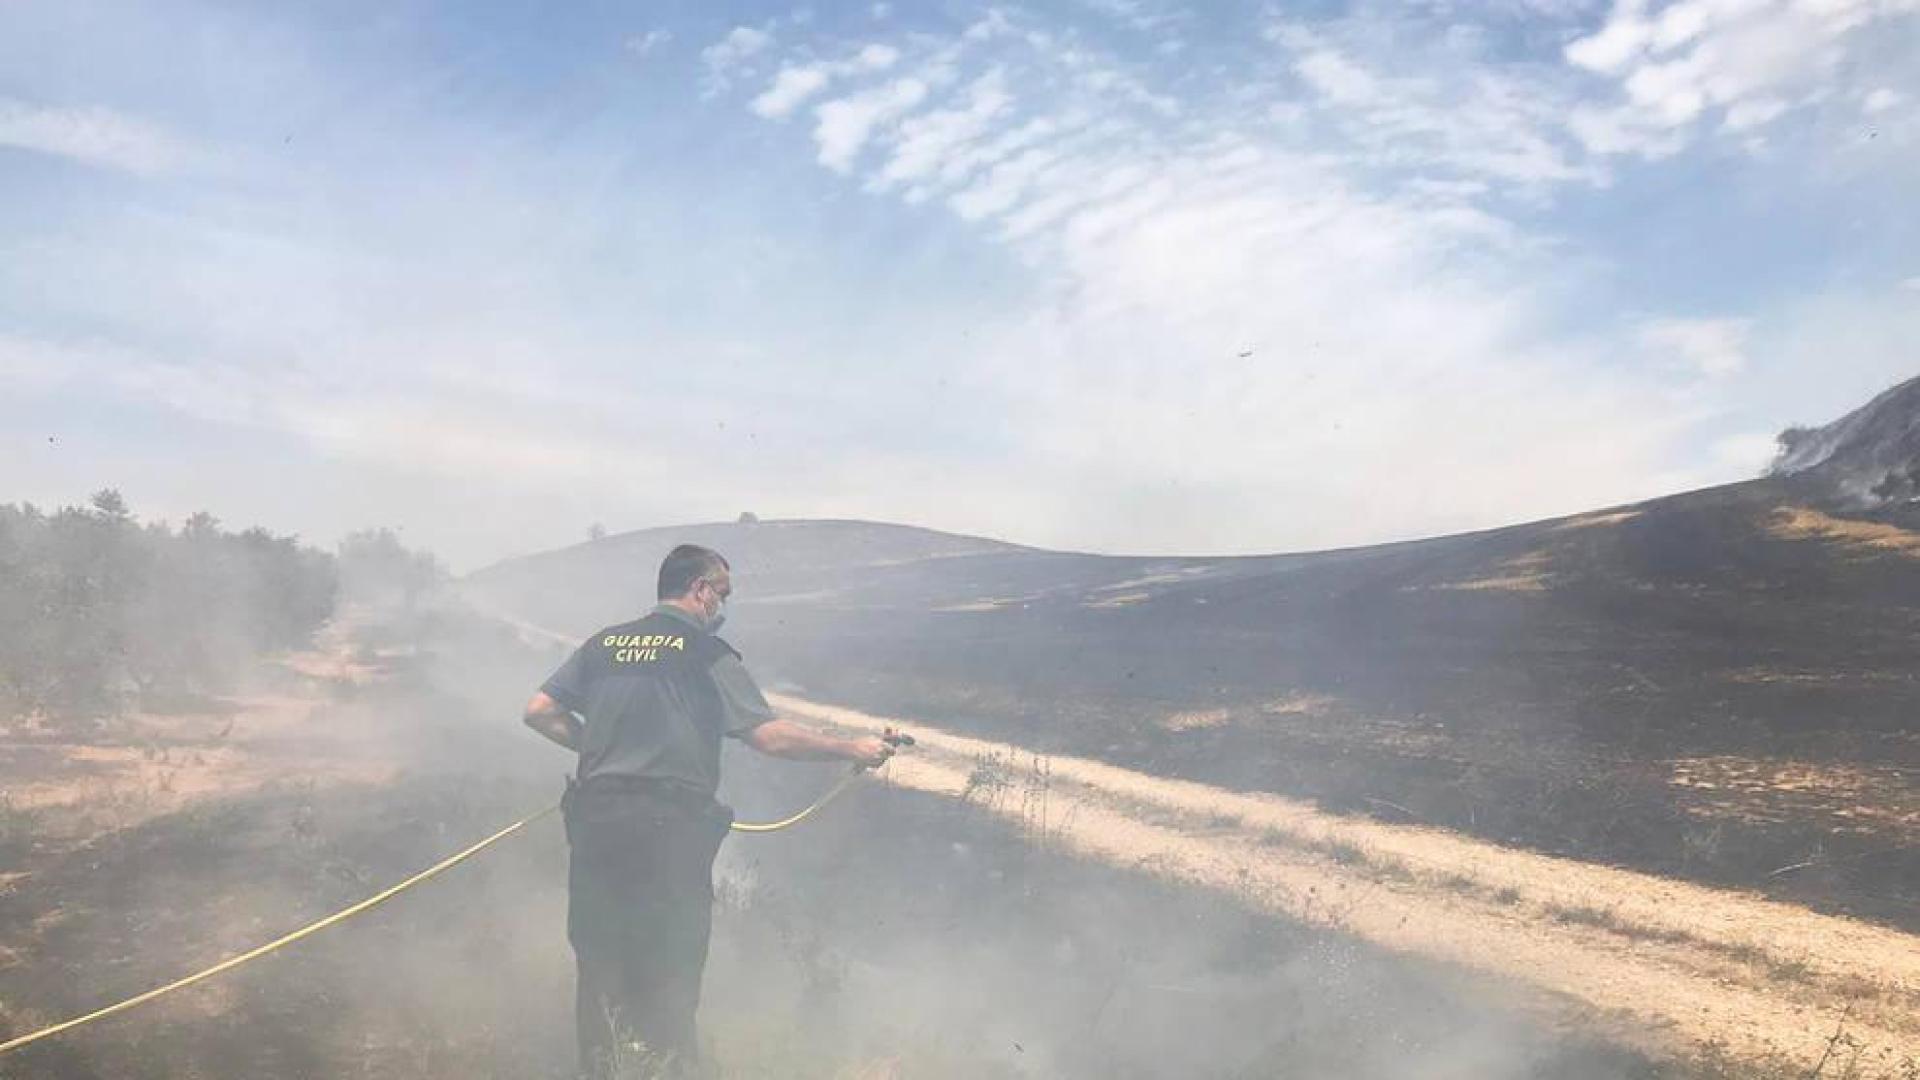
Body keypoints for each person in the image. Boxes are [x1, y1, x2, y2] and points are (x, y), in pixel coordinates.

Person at [522, 543, 894, 1078]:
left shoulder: (603, 644)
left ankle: (603, 1068)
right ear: (699, 590)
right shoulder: (704, 651)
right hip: (668, 829)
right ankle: (665, 1068)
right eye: (723, 594)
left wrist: (604, 751)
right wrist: (852, 749)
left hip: (596, 821)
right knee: (669, 960)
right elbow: (769, 736)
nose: (723, 606)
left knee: (600, 959)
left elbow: (539, 711)